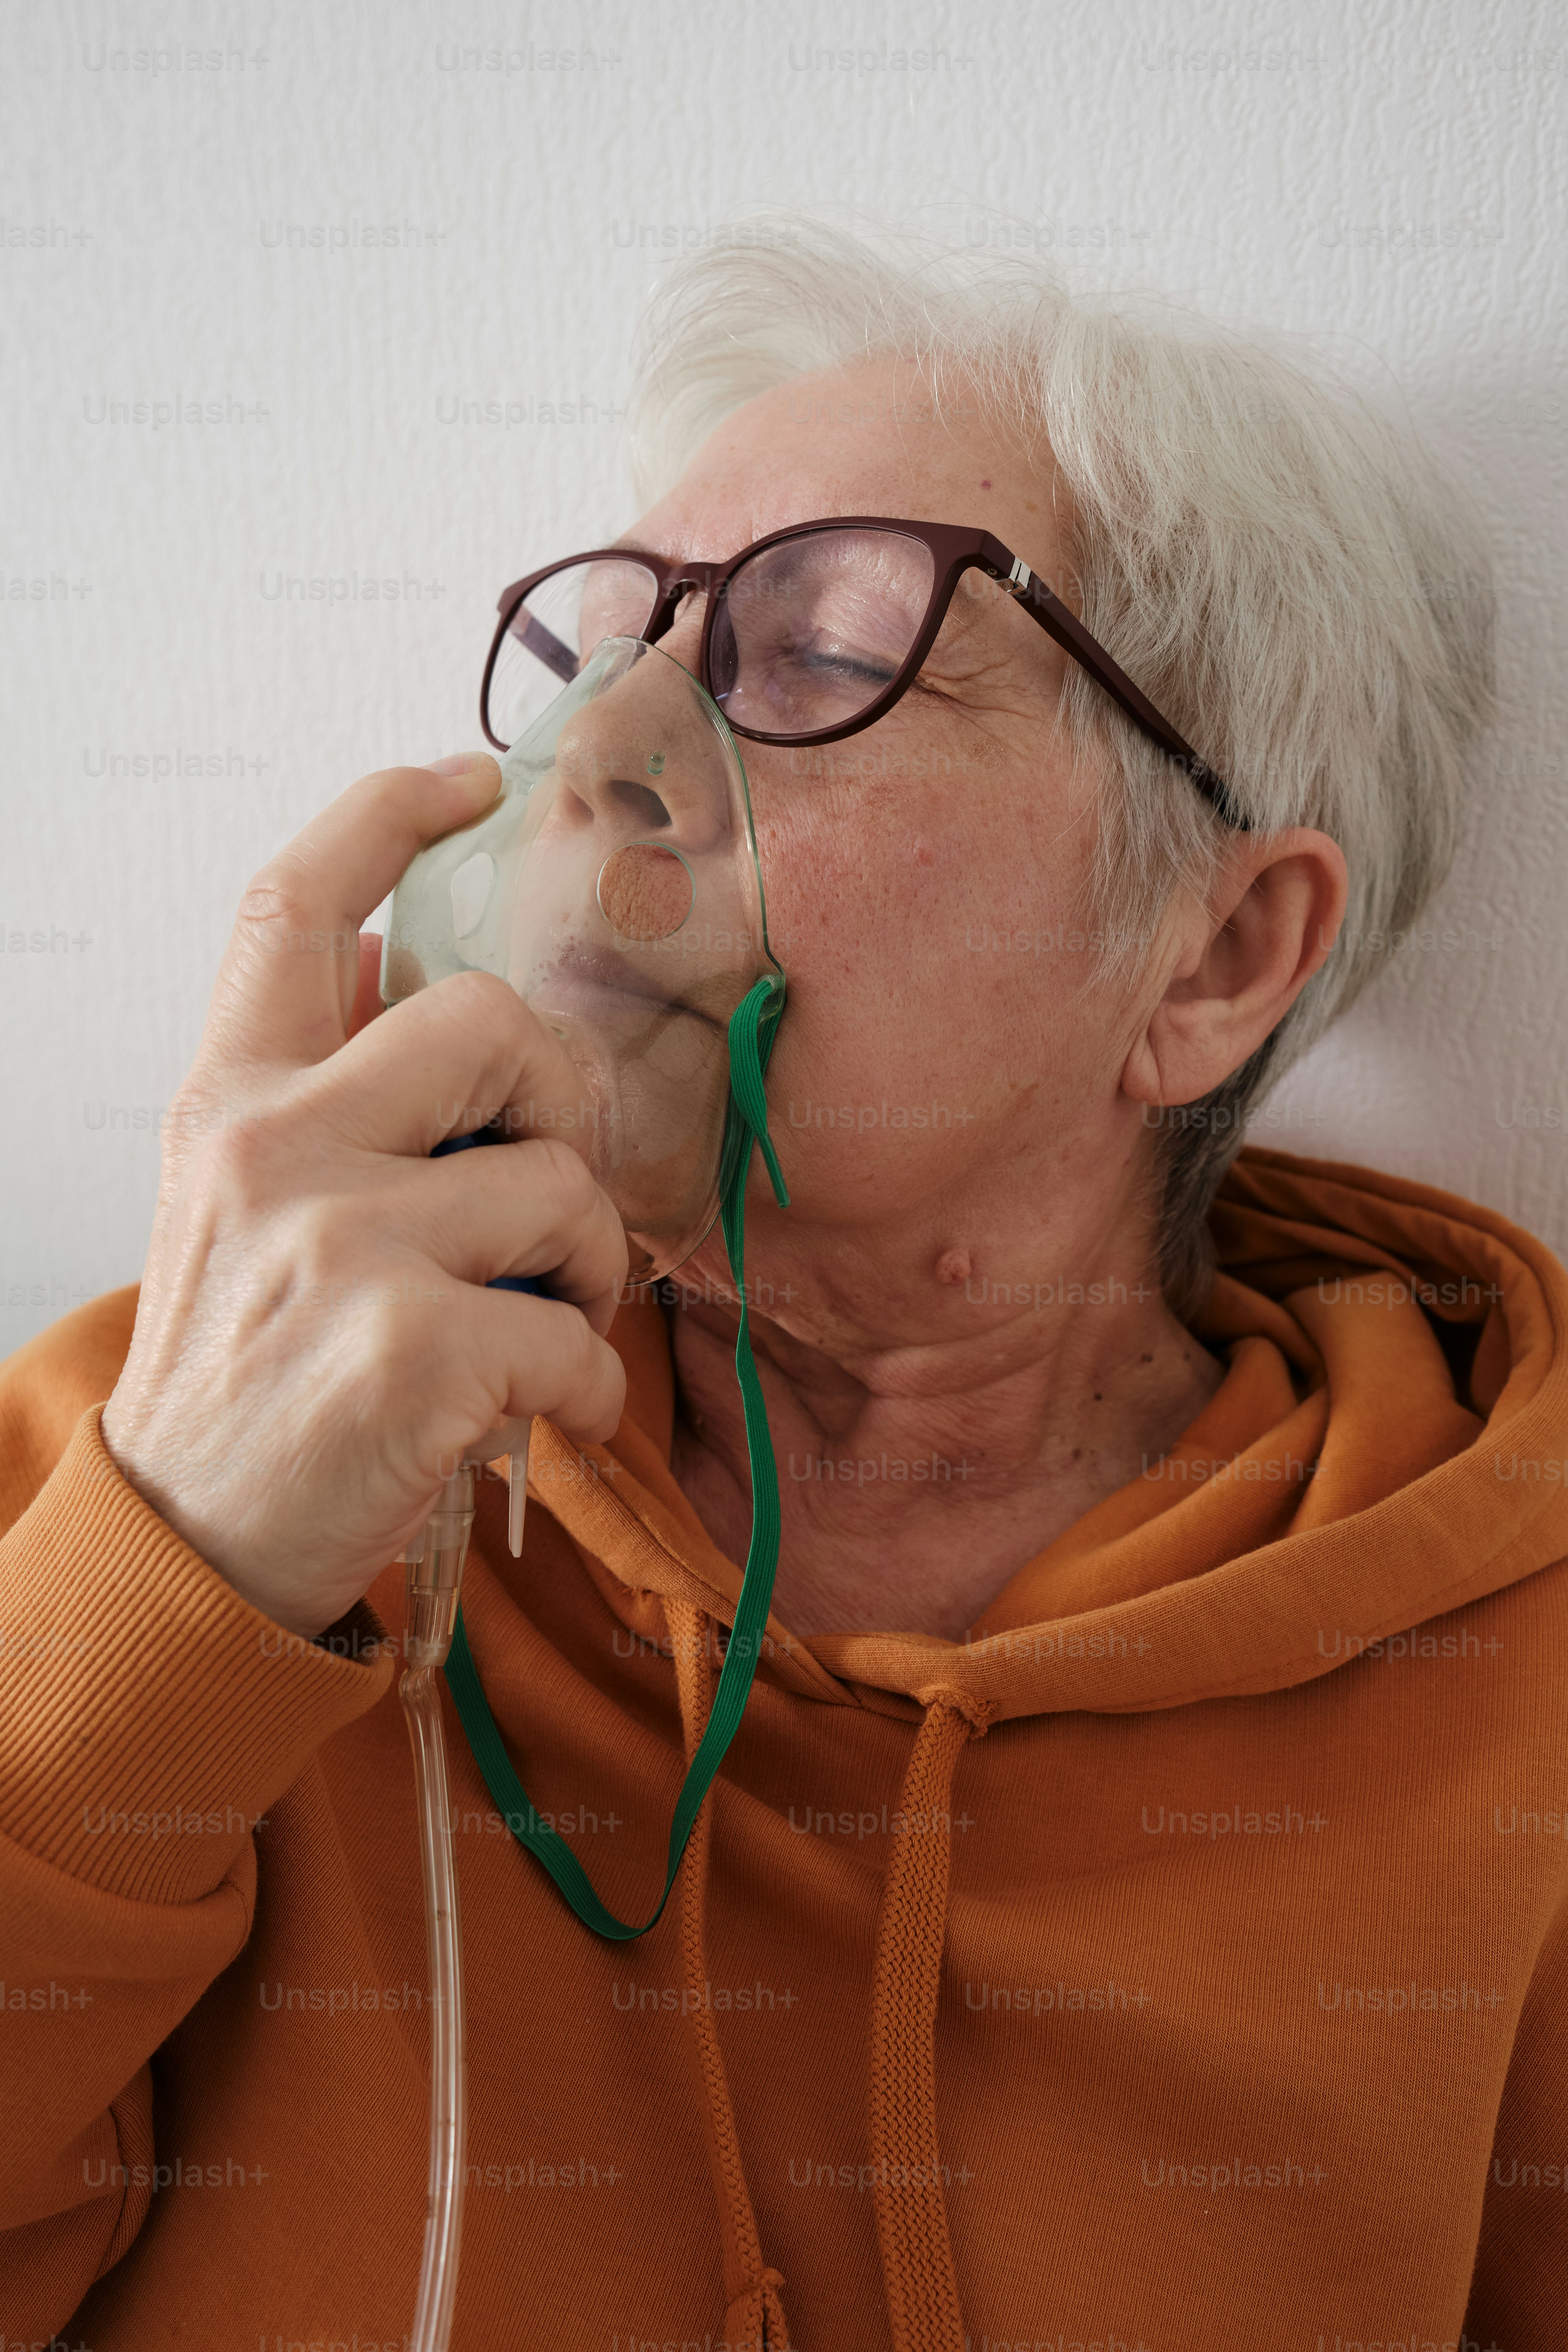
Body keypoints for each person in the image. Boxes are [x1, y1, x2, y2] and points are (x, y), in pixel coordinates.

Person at [3, 222, 1559, 2351]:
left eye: (817, 655)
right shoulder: (144, 1441)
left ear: (1213, 960)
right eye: (597, 654)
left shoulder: (1519, 1672)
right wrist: (172, 1582)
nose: (608, 749)